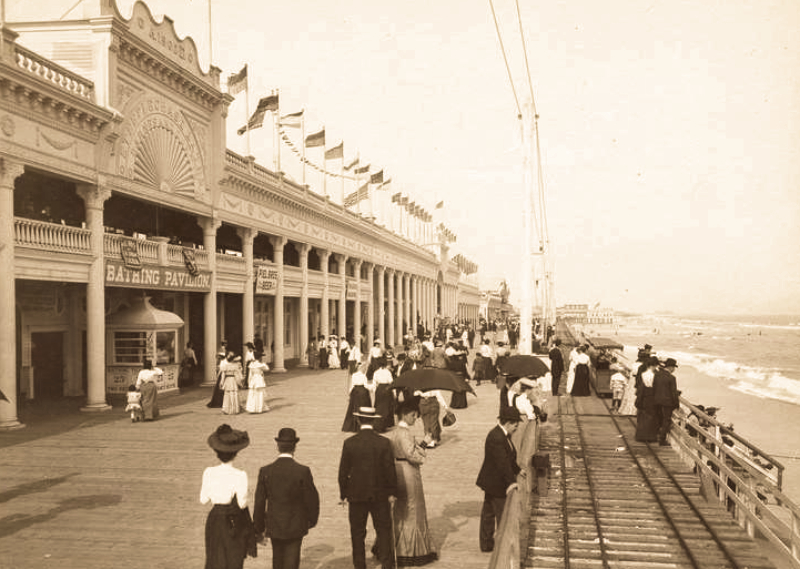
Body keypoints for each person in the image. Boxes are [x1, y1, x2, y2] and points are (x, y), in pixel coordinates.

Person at [338, 406, 398, 569]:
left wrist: (343, 494)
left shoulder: (350, 443)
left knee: (357, 533)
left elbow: (343, 471)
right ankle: (387, 564)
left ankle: (360, 565)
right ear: (373, 420)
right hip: (380, 494)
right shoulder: (384, 442)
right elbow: (389, 470)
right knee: (384, 530)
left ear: (358, 420)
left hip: (356, 495)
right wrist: (392, 492)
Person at [253, 428, 320, 569]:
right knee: (292, 560)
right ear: (294, 447)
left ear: (278, 446)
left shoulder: (266, 471)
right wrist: (311, 521)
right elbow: (313, 500)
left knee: (277, 558)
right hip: (296, 523)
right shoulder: (302, 471)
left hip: (274, 523)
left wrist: (258, 528)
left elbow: (259, 502)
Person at [384, 398, 438, 566]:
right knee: (413, 508)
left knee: (402, 510)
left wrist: (423, 442)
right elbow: (412, 454)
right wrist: (423, 450)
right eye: (413, 415)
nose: (415, 418)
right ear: (405, 415)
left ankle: (396, 544)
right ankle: (410, 550)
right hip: (408, 471)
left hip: (398, 469)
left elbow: (409, 449)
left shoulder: (396, 432)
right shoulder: (404, 433)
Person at [200, 424, 256, 569]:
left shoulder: (208, 472)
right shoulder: (240, 475)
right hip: (232, 521)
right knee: (233, 559)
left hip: (215, 519)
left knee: (214, 559)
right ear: (235, 453)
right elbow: (242, 504)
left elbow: (203, 499)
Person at [476, 407, 523, 553]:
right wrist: (512, 482)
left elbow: (509, 457)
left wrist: (518, 470)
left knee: (488, 513)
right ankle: (503, 548)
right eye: (516, 424)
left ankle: (486, 544)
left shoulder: (503, 434)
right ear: (509, 422)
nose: (517, 428)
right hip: (496, 483)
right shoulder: (496, 437)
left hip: (492, 481)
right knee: (503, 516)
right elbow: (502, 463)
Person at [653, 358, 680, 446]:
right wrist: (677, 405)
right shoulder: (672, 378)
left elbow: (654, 387)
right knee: (666, 421)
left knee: (657, 418)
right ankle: (662, 440)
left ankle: (654, 436)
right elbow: (673, 393)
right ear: (671, 367)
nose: (674, 370)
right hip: (667, 403)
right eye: (674, 367)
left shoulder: (657, 374)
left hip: (656, 400)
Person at [635, 356, 661, 442]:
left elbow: (640, 386)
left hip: (644, 396)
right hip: (652, 396)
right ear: (653, 365)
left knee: (643, 416)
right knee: (652, 417)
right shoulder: (655, 375)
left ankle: (641, 436)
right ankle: (650, 437)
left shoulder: (643, 374)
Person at [373, 358, 396, 433]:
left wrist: (375, 392)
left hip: (379, 389)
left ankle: (378, 425)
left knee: (379, 408)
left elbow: (374, 383)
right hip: (387, 389)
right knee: (386, 408)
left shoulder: (376, 372)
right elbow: (391, 382)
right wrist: (394, 393)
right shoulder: (388, 372)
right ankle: (385, 425)